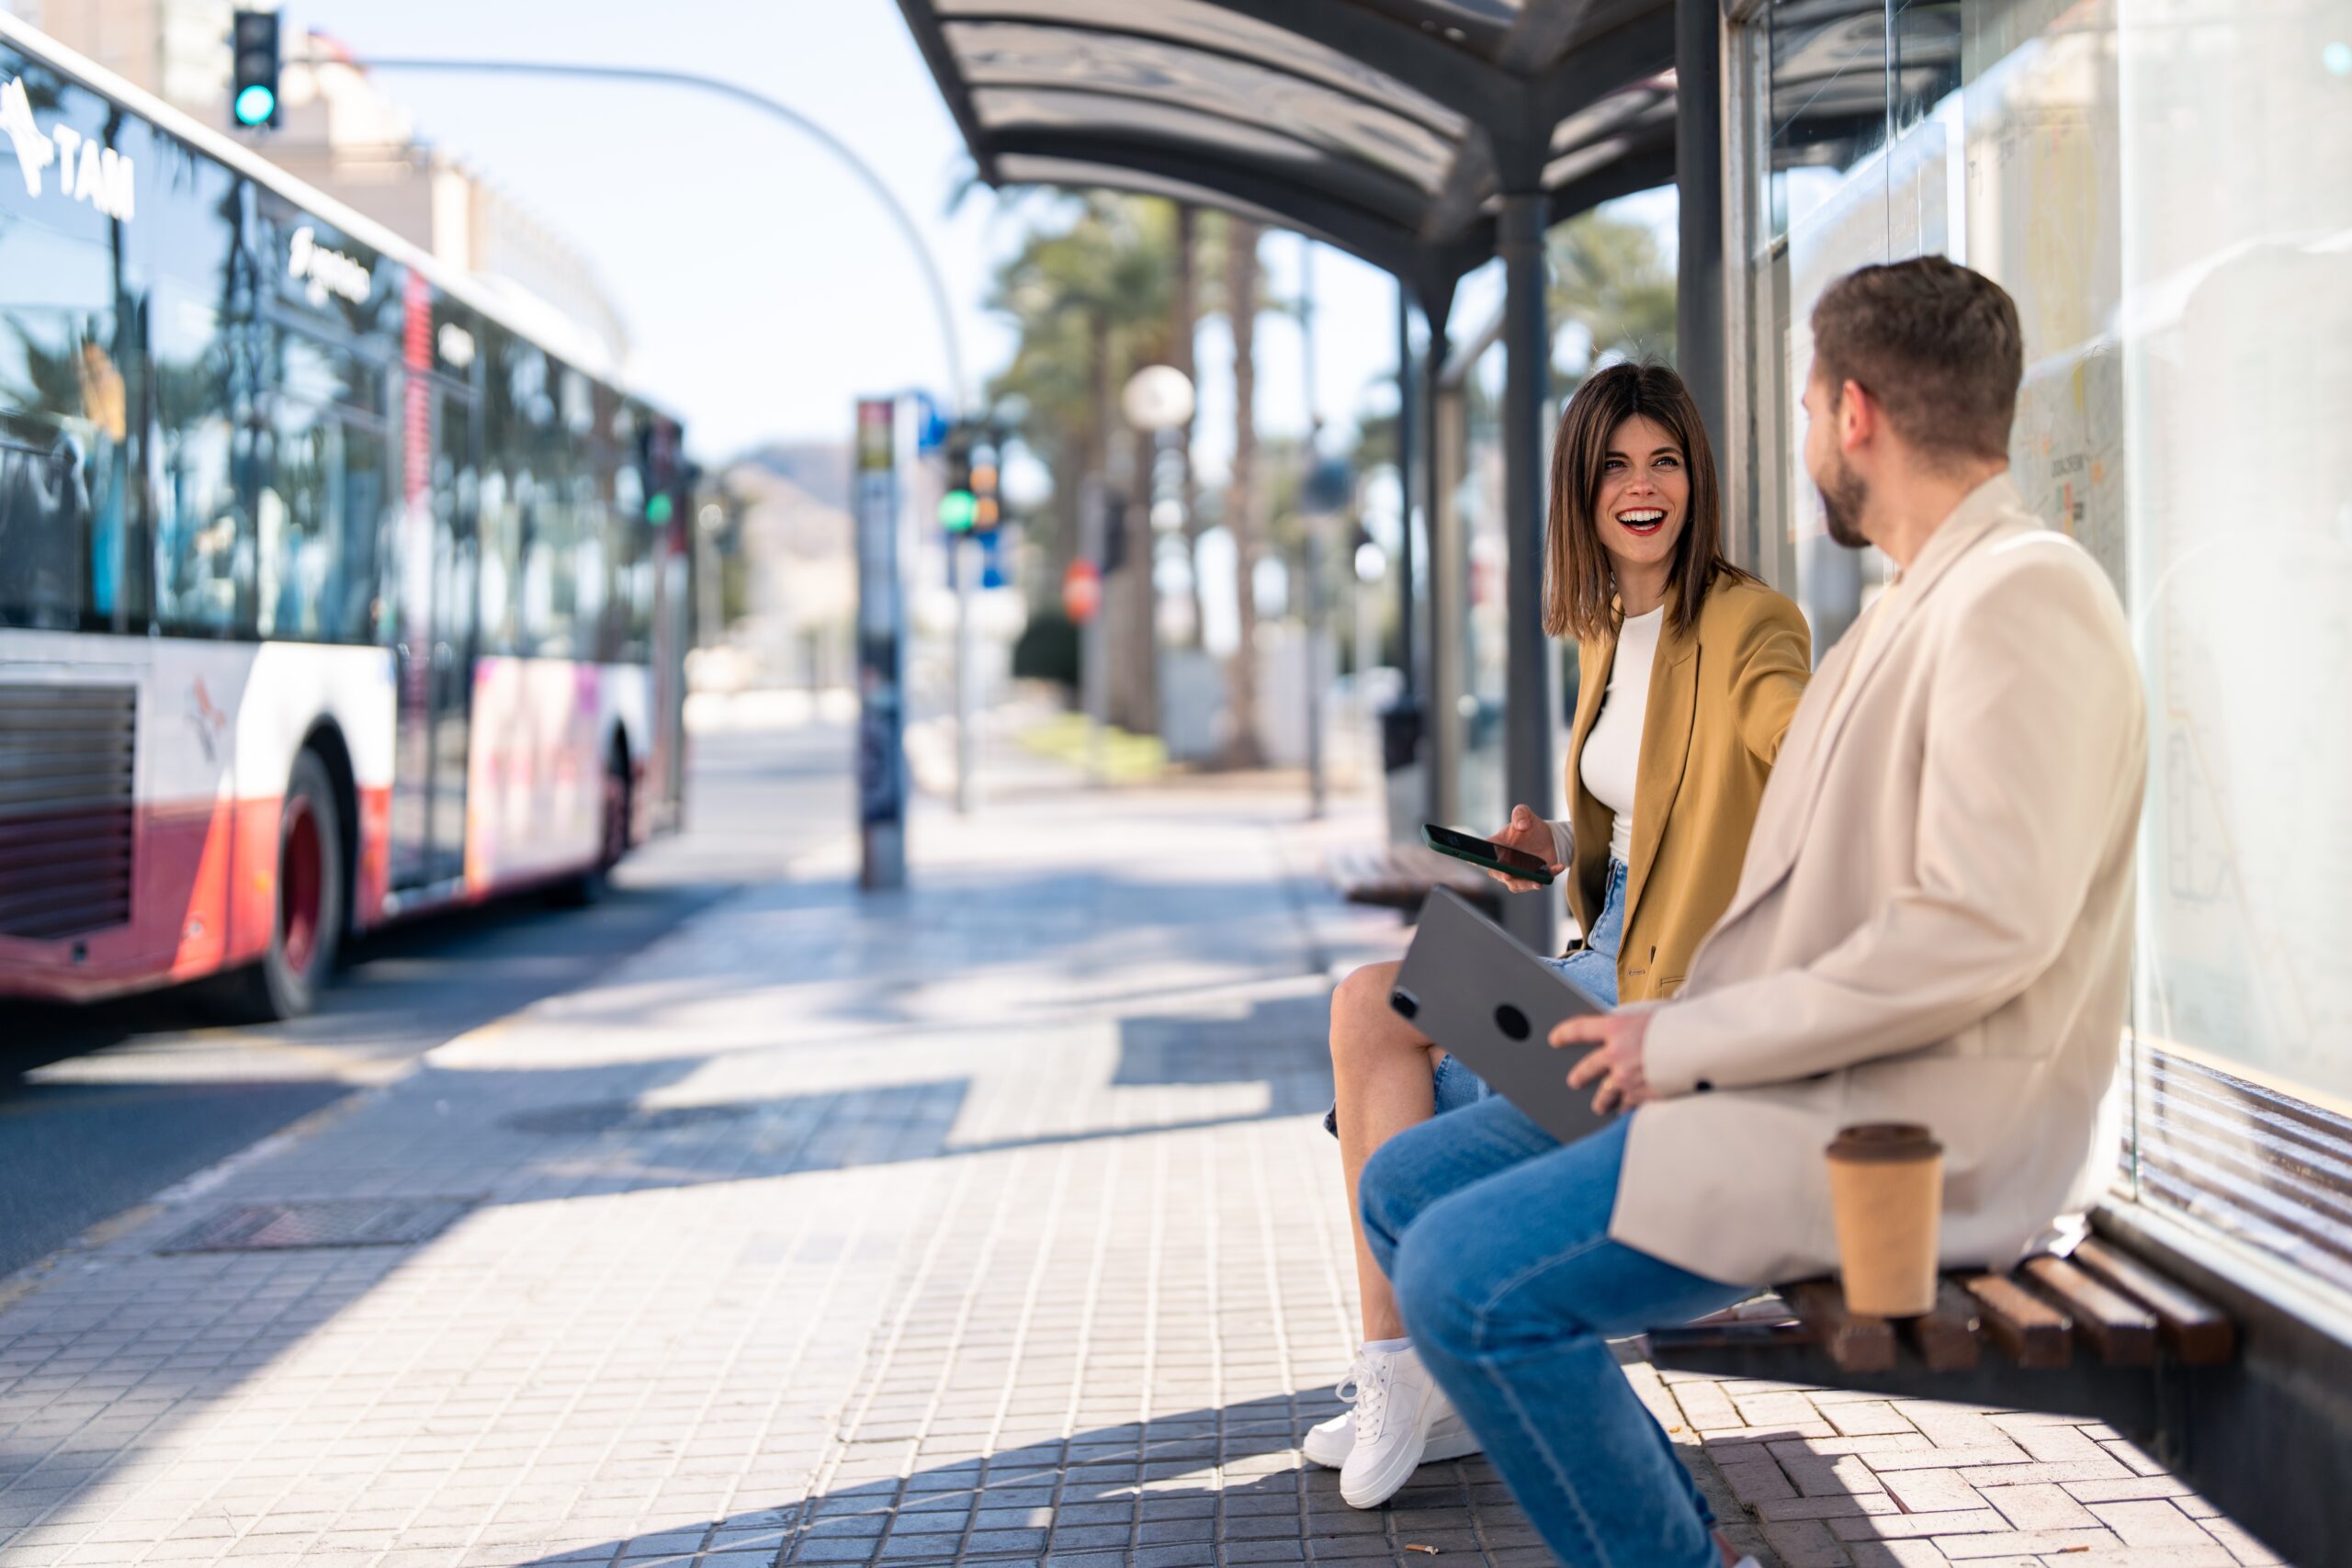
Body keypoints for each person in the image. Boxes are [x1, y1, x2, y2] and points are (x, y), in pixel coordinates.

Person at [1356, 257, 2148, 1567]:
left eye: (1803, 405)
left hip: (1911, 1130)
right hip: (1819, 1075)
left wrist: (1682, 1041)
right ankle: (1679, 1536)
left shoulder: (2023, 595)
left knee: (1461, 1276)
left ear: (1853, 414)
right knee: (1404, 1183)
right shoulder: (1924, 596)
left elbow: (1978, 927)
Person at [1310, 363, 1812, 1509]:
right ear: (1580, 492)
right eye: (1615, 466)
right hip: (1601, 941)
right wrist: (1550, 846)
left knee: (1418, 1109)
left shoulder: (1749, 622)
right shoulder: (1607, 628)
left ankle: (1430, 1377)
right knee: (1365, 1003)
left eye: (1664, 461)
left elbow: (1792, 733)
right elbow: (1651, 811)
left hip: (1662, 987)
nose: (1642, 488)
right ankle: (1398, 1373)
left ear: (1695, 478)